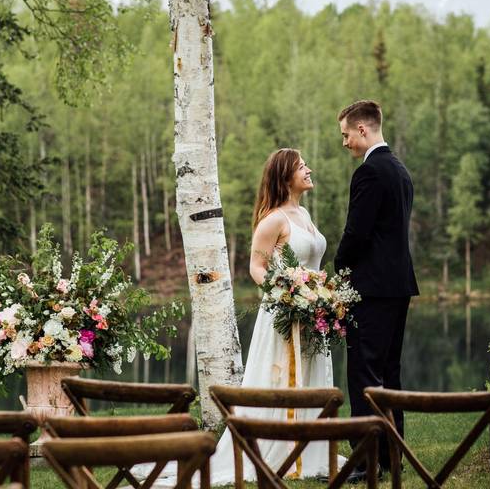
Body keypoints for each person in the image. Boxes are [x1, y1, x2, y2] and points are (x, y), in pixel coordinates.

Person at [144, 148, 336, 486]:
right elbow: (256, 267)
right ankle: (281, 452)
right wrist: (286, 292)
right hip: (285, 312)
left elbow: (312, 265)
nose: (308, 169)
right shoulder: (274, 219)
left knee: (311, 374)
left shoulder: (304, 213)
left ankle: (311, 451)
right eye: (301, 166)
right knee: (282, 380)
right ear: (284, 176)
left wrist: (320, 295)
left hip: (312, 314)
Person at [335, 100, 418, 479]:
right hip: (398, 286)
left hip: (370, 288)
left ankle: (367, 461)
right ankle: (392, 454)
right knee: (389, 374)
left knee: (364, 374)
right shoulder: (400, 171)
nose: (345, 143)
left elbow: (358, 233)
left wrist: (339, 268)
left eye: (346, 135)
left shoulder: (369, 173)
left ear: (363, 130)